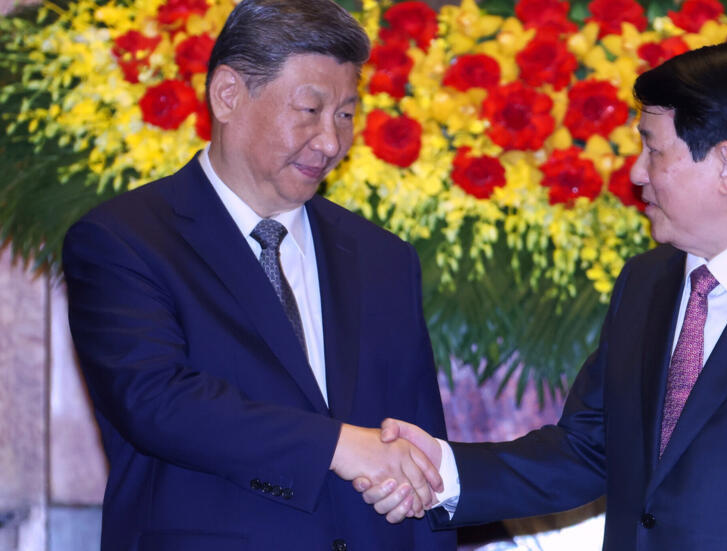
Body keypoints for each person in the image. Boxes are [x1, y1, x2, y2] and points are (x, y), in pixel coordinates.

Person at [358, 39, 727, 550]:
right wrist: (441, 469)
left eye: (654, 151)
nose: (635, 174)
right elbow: (588, 448)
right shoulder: (646, 282)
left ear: (726, 165)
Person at [61, 1, 455, 549]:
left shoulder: (383, 258)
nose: (330, 142)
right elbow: (156, 401)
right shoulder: (125, 239)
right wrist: (338, 446)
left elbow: (420, 451)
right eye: (310, 110)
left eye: (345, 114)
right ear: (228, 95)